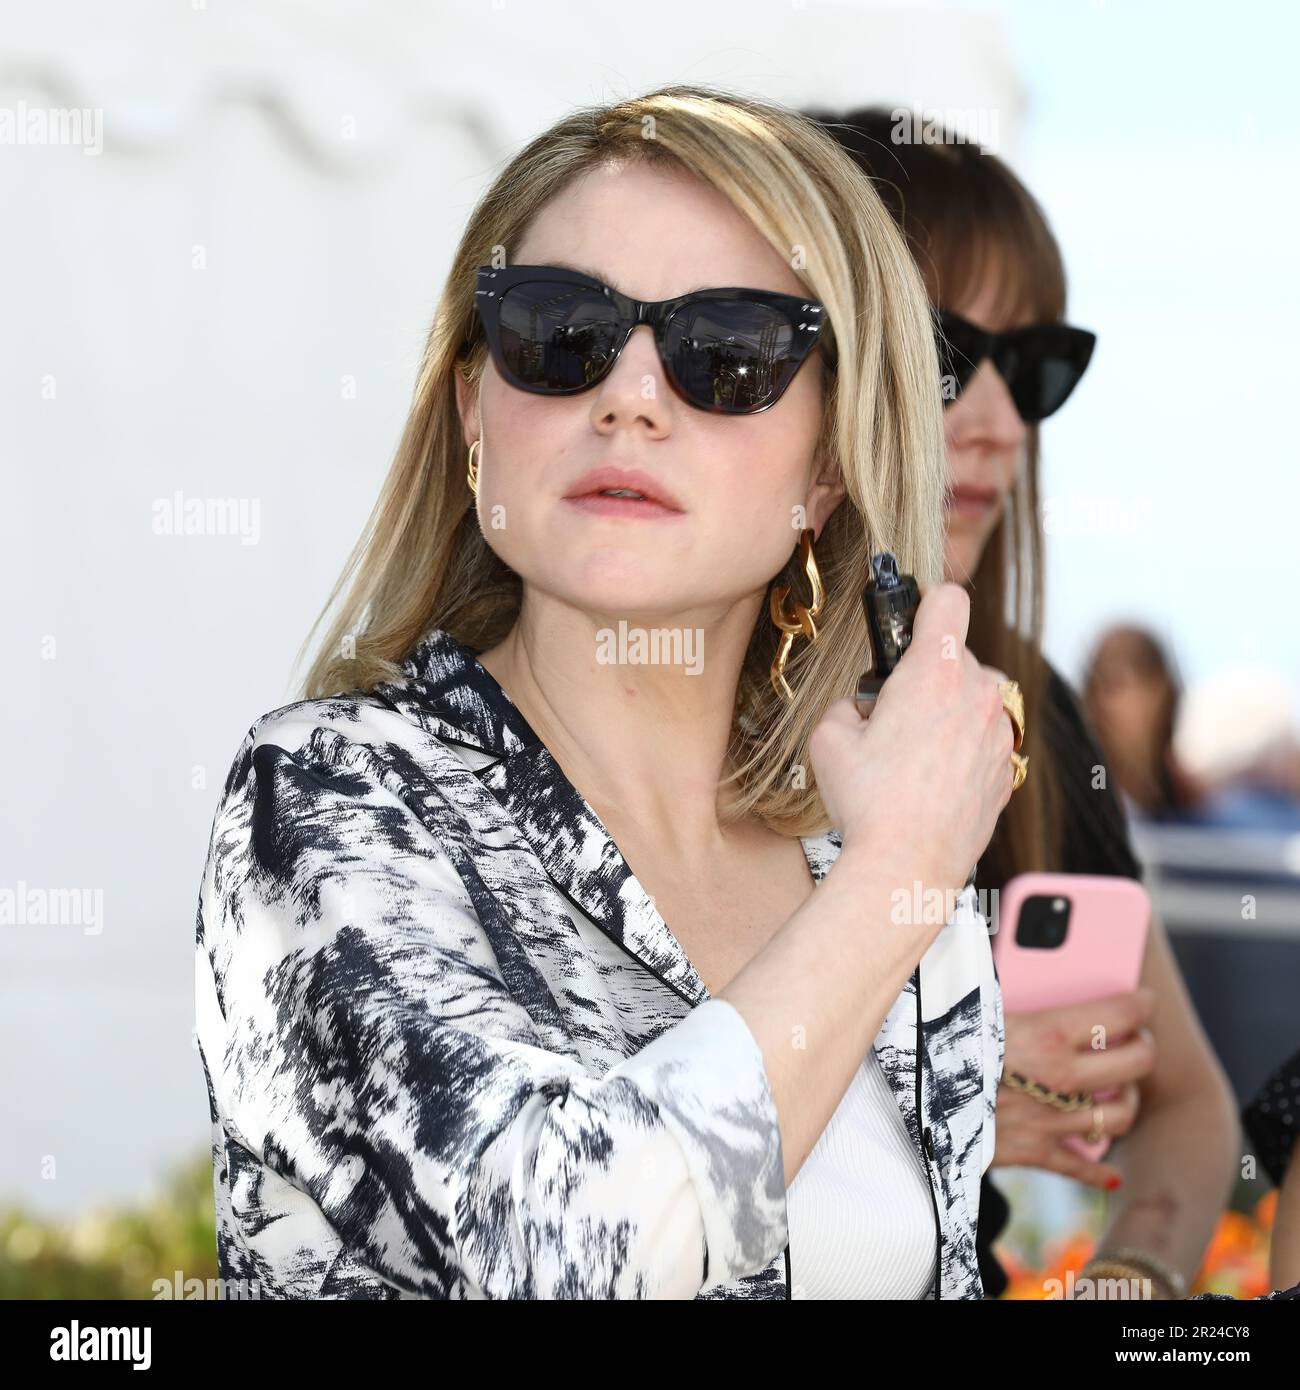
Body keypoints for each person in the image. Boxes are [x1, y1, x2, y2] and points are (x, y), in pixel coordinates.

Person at [194, 84, 1022, 1300]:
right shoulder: (328, 798)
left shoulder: (871, 851)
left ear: (835, 459)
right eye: (556, 331)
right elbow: (562, 1258)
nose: (628, 396)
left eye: (725, 352)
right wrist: (895, 877)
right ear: (476, 404)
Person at [807, 106, 1239, 1300]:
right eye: (945, 354)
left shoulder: (1020, 706)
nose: (1000, 423)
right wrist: (934, 1107)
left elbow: (1190, 1103)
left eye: (1036, 366)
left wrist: (1134, 1274)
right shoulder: (662, 705)